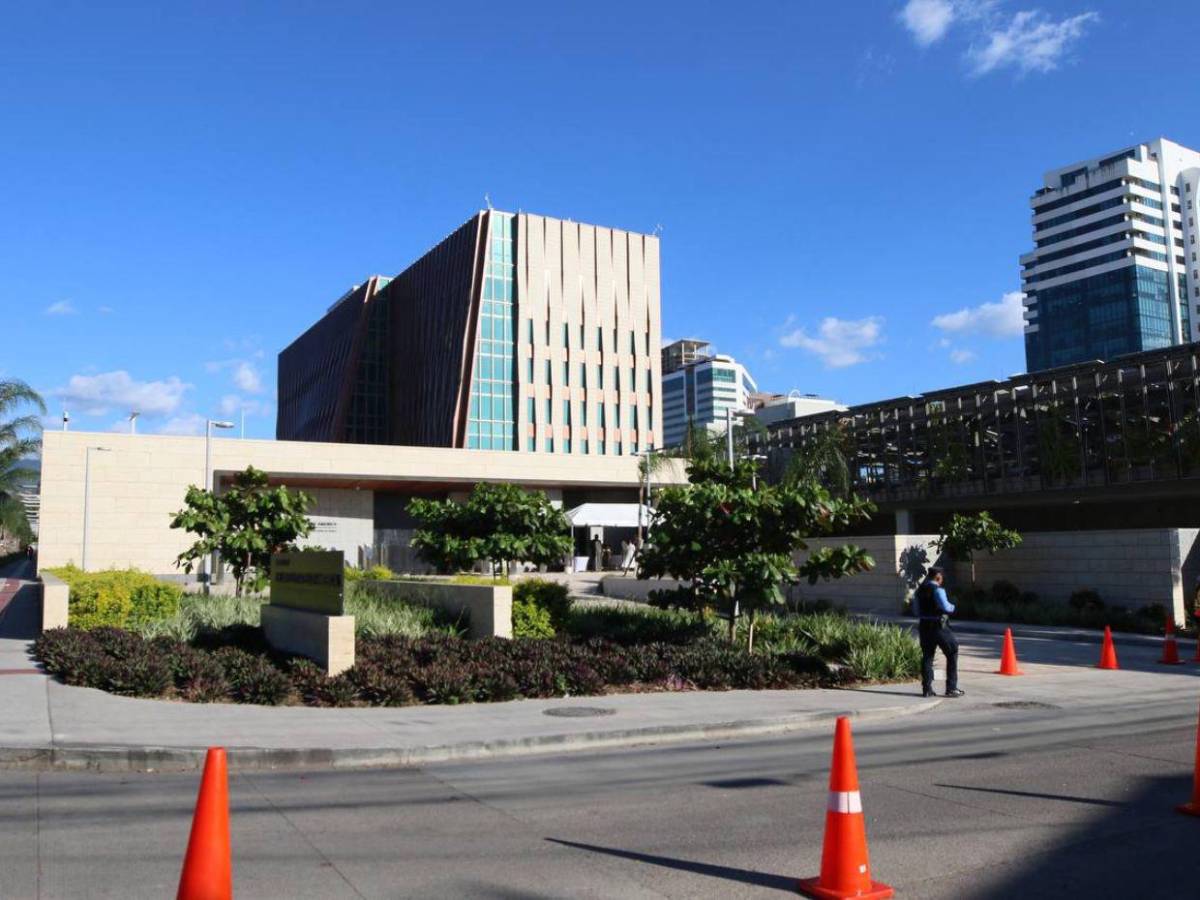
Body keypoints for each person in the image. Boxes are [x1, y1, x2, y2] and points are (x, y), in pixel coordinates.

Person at [915, 566, 963, 698]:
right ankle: (951, 688)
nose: (942, 580)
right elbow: (946, 607)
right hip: (938, 626)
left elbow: (916, 611)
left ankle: (927, 689)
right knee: (952, 651)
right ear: (938, 577)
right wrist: (953, 606)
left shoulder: (919, 591)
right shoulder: (938, 590)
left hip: (924, 626)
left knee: (927, 657)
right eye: (941, 577)